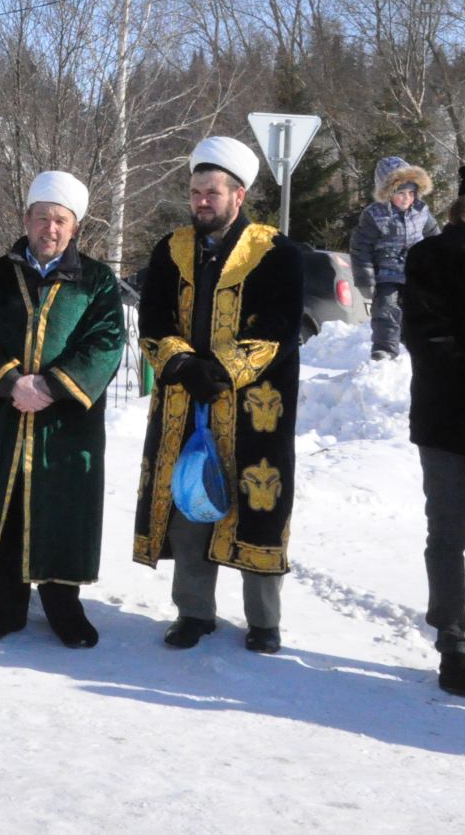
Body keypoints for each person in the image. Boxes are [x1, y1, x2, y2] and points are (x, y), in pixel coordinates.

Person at [134, 136, 303, 655]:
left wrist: (225, 369)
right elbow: (153, 318)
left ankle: (264, 620)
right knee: (190, 501)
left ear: (239, 194)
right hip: (186, 401)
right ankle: (193, 611)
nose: (202, 201)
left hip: (256, 408)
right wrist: (182, 362)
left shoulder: (275, 252)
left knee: (260, 506)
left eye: (212, 192)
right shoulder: (171, 249)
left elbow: (279, 327)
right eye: (195, 191)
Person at [0, 171, 127, 648]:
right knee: (6, 506)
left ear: (74, 227)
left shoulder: (95, 280)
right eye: (41, 218)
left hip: (67, 423)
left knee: (65, 509)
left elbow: (107, 343)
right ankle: (5, 605)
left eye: (60, 220)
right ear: (26, 219)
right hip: (4, 414)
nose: (49, 229)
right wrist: (12, 383)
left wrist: (52, 386)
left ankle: (64, 607)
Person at [400, 161, 465, 697]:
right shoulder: (430, 257)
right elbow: (426, 336)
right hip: (448, 418)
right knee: (448, 533)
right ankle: (452, 641)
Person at [351, 156, 438, 362]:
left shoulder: (421, 211)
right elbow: (360, 247)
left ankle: (416, 345)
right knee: (386, 310)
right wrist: (365, 278)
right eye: (400, 193)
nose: (406, 198)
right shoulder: (374, 215)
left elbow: (434, 237)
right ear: (388, 192)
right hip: (386, 272)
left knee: (419, 308)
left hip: (414, 271)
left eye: (411, 193)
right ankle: (385, 350)